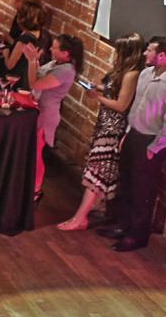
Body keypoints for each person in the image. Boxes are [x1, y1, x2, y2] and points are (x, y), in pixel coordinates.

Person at [100, 37, 166, 252]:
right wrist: (128, 133)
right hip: (134, 134)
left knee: (142, 190)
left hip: (150, 140)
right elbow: (137, 107)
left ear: (162, 56)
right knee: (127, 183)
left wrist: (155, 147)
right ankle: (124, 225)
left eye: (149, 50)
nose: (144, 54)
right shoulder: (146, 74)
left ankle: (136, 235)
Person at [59, 33, 145, 231]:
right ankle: (87, 213)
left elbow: (121, 105)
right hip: (104, 124)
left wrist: (97, 97)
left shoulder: (132, 74)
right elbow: (112, 89)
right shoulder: (123, 71)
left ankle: (80, 218)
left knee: (97, 173)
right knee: (95, 170)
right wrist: (95, 87)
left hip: (112, 129)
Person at [24, 34, 81, 199]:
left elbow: (35, 83)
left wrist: (32, 61)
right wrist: (34, 61)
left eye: (54, 47)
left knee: (36, 153)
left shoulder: (66, 71)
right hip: (37, 110)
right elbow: (36, 77)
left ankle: (35, 190)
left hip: (46, 115)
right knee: (31, 152)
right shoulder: (56, 63)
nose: (50, 49)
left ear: (65, 53)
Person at [2, 0, 49, 88]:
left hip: (16, 81)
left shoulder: (24, 39)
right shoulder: (43, 35)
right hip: (29, 78)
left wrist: (6, 53)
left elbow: (10, 65)